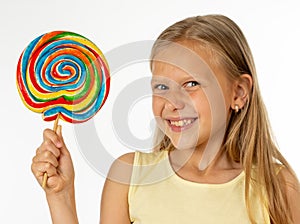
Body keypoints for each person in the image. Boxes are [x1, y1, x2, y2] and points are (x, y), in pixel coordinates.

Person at [31, 14, 300, 224]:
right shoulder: (130, 176)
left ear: (238, 93)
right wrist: (61, 196)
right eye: (161, 87)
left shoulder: (278, 187)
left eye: (192, 83)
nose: (172, 102)